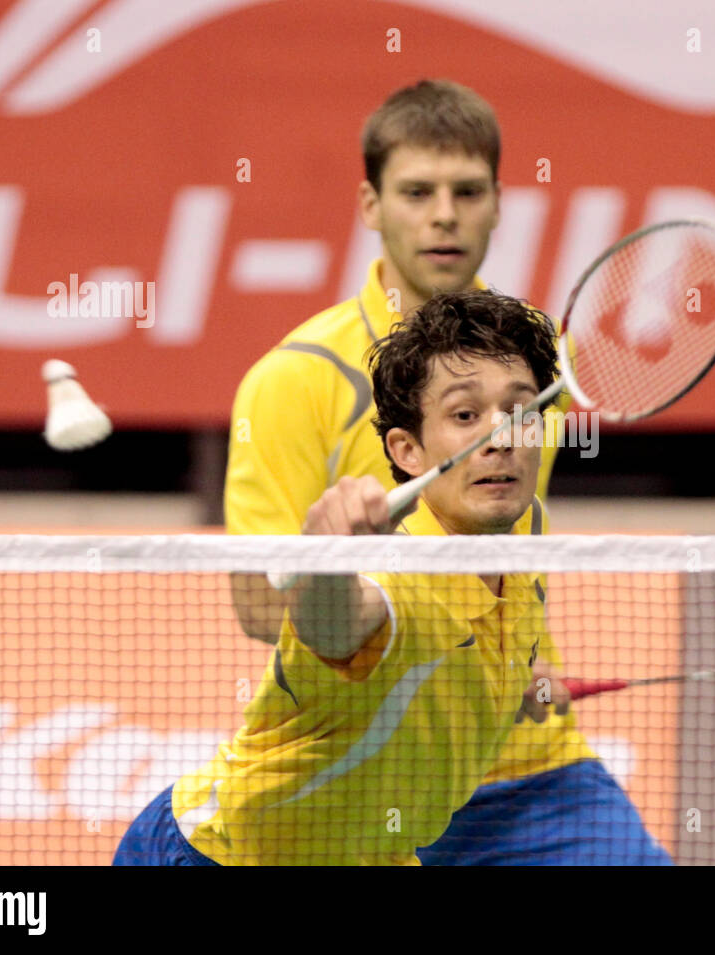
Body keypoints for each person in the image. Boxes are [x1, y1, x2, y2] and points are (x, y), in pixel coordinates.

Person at [219, 79, 670, 865]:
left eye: (466, 192)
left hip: (528, 771)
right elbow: (261, 603)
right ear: (371, 204)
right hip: (369, 774)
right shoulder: (292, 381)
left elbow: (510, 548)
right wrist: (347, 578)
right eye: (416, 191)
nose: (443, 214)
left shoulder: (538, 369)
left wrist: (508, 673)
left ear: (498, 203)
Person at [119, 290, 577, 864]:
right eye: (465, 415)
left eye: (521, 411)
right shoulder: (396, 580)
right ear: (407, 450)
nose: (502, 435)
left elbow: (459, 653)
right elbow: (337, 627)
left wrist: (519, 677)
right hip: (225, 856)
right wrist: (329, 564)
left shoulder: (527, 525)